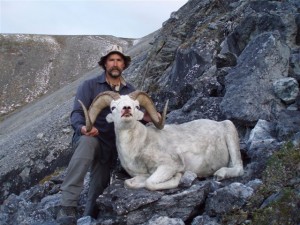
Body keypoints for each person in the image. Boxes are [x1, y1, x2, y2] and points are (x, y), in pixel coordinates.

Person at [57, 45, 139, 221]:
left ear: (124, 65)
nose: (115, 64)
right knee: (87, 143)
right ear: (104, 64)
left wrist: (149, 117)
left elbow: (137, 117)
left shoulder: (131, 92)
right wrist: (82, 127)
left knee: (99, 185)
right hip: (91, 136)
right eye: (111, 60)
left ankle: (89, 216)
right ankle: (67, 205)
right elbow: (77, 113)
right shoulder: (89, 86)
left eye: (119, 60)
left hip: (112, 146)